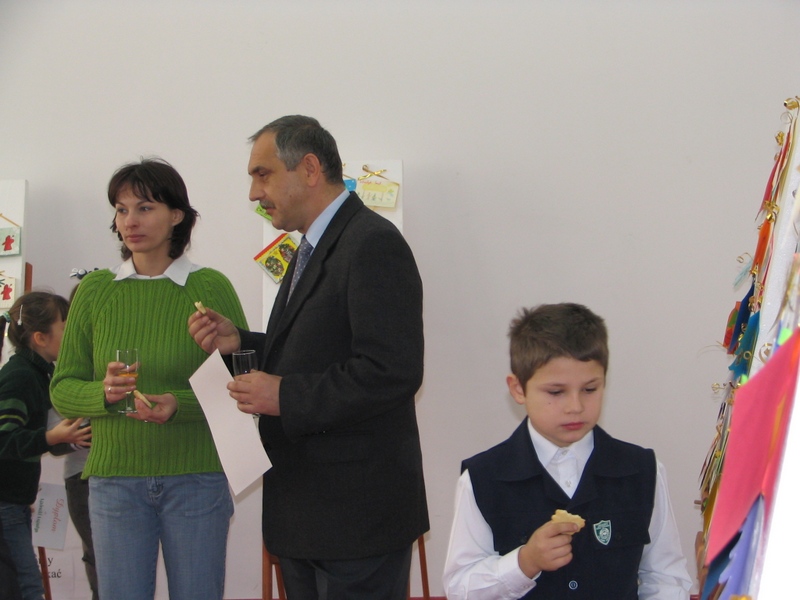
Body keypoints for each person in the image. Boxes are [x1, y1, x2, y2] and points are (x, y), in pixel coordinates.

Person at [189, 115, 428, 599]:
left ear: (311, 169)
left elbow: (392, 370)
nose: (254, 193)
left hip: (357, 519)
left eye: (262, 174)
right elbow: (312, 350)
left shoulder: (371, 242)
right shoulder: (312, 248)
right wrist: (240, 343)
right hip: (306, 516)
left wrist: (285, 396)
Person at [51, 158, 248, 600]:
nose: (130, 222)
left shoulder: (210, 287)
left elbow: (242, 381)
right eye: (121, 210)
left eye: (144, 208)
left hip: (197, 477)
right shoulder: (95, 292)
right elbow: (63, 389)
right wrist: (102, 393)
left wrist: (179, 404)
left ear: (177, 215)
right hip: (114, 480)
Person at [442, 303, 692, 599]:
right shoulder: (482, 478)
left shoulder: (642, 470)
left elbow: (666, 577)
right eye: (556, 392)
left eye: (590, 389)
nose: (575, 406)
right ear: (518, 389)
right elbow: (460, 587)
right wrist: (524, 562)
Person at [0, 291, 92, 600]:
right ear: (40, 338)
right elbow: (4, 439)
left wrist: (64, 437)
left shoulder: (40, 374)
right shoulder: (20, 377)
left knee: (20, 585)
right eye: (65, 327)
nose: (72, 334)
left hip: (14, 501)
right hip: (5, 502)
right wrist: (51, 437)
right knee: (25, 588)